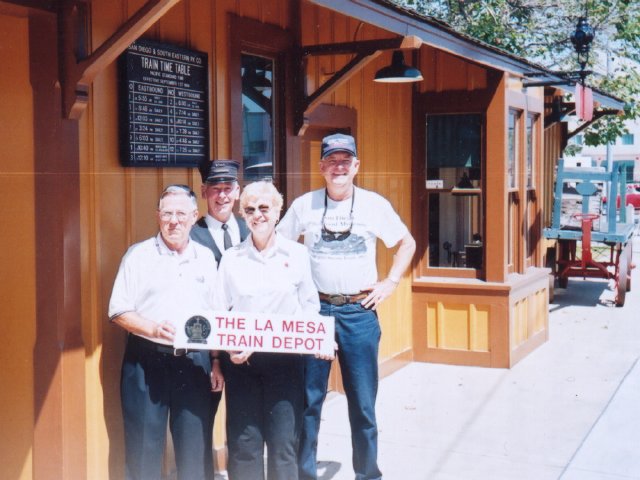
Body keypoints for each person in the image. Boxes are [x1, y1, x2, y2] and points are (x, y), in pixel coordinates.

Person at [277, 133, 416, 480]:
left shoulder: (374, 205)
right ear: (321, 166)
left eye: (345, 160)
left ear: (356, 166)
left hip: (358, 313)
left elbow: (406, 242)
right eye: (332, 161)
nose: (338, 167)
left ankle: (368, 474)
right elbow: (278, 249)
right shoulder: (303, 205)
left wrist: (391, 282)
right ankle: (304, 474)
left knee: (363, 404)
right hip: (315, 312)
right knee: (308, 402)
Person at [108, 184, 220, 480]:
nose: (174, 221)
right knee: (144, 448)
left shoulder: (206, 258)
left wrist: (217, 361)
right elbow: (118, 310)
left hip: (194, 362)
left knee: (194, 450)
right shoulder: (138, 255)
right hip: (146, 361)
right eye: (167, 213)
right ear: (158, 216)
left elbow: (218, 313)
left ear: (194, 216)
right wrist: (153, 328)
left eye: (181, 214)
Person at [216, 181, 320, 480]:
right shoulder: (232, 258)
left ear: (278, 212)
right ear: (242, 214)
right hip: (242, 364)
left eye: (265, 208)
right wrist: (228, 348)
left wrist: (313, 337)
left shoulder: (297, 255)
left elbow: (310, 305)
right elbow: (219, 311)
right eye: (250, 209)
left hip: (285, 364)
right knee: (244, 444)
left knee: (283, 445)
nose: (257, 215)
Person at [190, 159, 250, 442]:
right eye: (216, 189)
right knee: (202, 418)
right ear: (204, 192)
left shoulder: (253, 231)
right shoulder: (191, 236)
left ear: (238, 191)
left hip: (247, 340)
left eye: (228, 188)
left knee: (246, 420)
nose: (222, 195)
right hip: (208, 342)